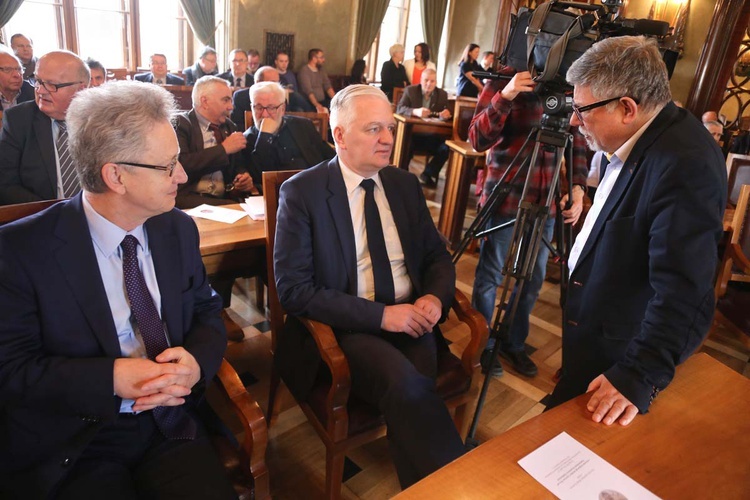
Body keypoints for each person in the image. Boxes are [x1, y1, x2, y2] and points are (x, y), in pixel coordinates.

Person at [0, 80, 236, 500]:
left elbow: (206, 310)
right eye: (168, 165)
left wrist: (196, 365)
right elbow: (12, 370)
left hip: (171, 423)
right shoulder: (20, 251)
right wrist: (108, 377)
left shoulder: (177, 228)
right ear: (115, 175)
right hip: (79, 439)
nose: (181, 175)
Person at [273, 84, 465, 489]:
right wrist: (382, 316)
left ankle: (426, 488)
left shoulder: (403, 185)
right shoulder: (303, 193)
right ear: (338, 135)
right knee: (409, 385)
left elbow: (435, 256)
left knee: (414, 389)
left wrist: (433, 296)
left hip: (412, 316)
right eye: (374, 129)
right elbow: (294, 290)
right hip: (348, 326)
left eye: (389, 128)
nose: (389, 139)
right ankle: (455, 486)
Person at [547, 36, 726, 426]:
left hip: (622, 356)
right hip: (597, 338)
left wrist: (636, 375)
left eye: (582, 109)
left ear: (627, 108)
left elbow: (685, 289)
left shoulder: (685, 164)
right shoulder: (647, 136)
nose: (574, 121)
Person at [469, 68, 587, 378]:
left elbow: (578, 137)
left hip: (545, 200)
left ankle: (512, 340)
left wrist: (577, 186)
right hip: (505, 196)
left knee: (533, 278)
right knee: (491, 276)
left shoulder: (568, 84)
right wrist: (505, 95)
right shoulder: (500, 79)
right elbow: (476, 139)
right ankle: (482, 343)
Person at [0, 50, 90, 205]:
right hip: (40, 215)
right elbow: (5, 182)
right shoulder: (18, 119)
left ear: (80, 90)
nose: (40, 91)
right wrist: (52, 212)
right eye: (38, 81)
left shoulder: (102, 119)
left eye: (51, 85)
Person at [173, 75, 250, 209]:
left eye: (231, 100)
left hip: (223, 196)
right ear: (205, 102)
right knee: (237, 208)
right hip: (188, 196)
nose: (231, 107)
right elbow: (182, 164)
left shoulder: (229, 127)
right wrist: (224, 149)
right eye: (226, 100)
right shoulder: (180, 124)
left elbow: (238, 164)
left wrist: (243, 177)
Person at [242, 81, 334, 193]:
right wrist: (264, 137)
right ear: (252, 108)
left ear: (282, 108)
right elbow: (256, 176)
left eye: (271, 108)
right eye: (259, 108)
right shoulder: (247, 139)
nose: (264, 115)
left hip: (314, 188)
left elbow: (328, 155)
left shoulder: (303, 125)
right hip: (277, 196)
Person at [396, 68, 452, 187]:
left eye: (432, 81)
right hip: (412, 135)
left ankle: (428, 173)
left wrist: (445, 115)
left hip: (432, 136)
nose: (429, 84)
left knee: (447, 147)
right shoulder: (410, 91)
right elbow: (399, 109)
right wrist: (415, 111)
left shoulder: (442, 94)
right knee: (406, 143)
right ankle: (402, 175)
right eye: (426, 80)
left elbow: (447, 113)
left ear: (436, 82)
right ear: (421, 80)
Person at [297, 48, 335, 112]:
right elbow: (308, 91)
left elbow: (328, 86)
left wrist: (336, 100)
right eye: (321, 57)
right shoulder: (304, 71)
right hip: (310, 103)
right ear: (314, 58)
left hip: (323, 101)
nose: (324, 60)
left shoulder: (321, 70)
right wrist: (317, 104)